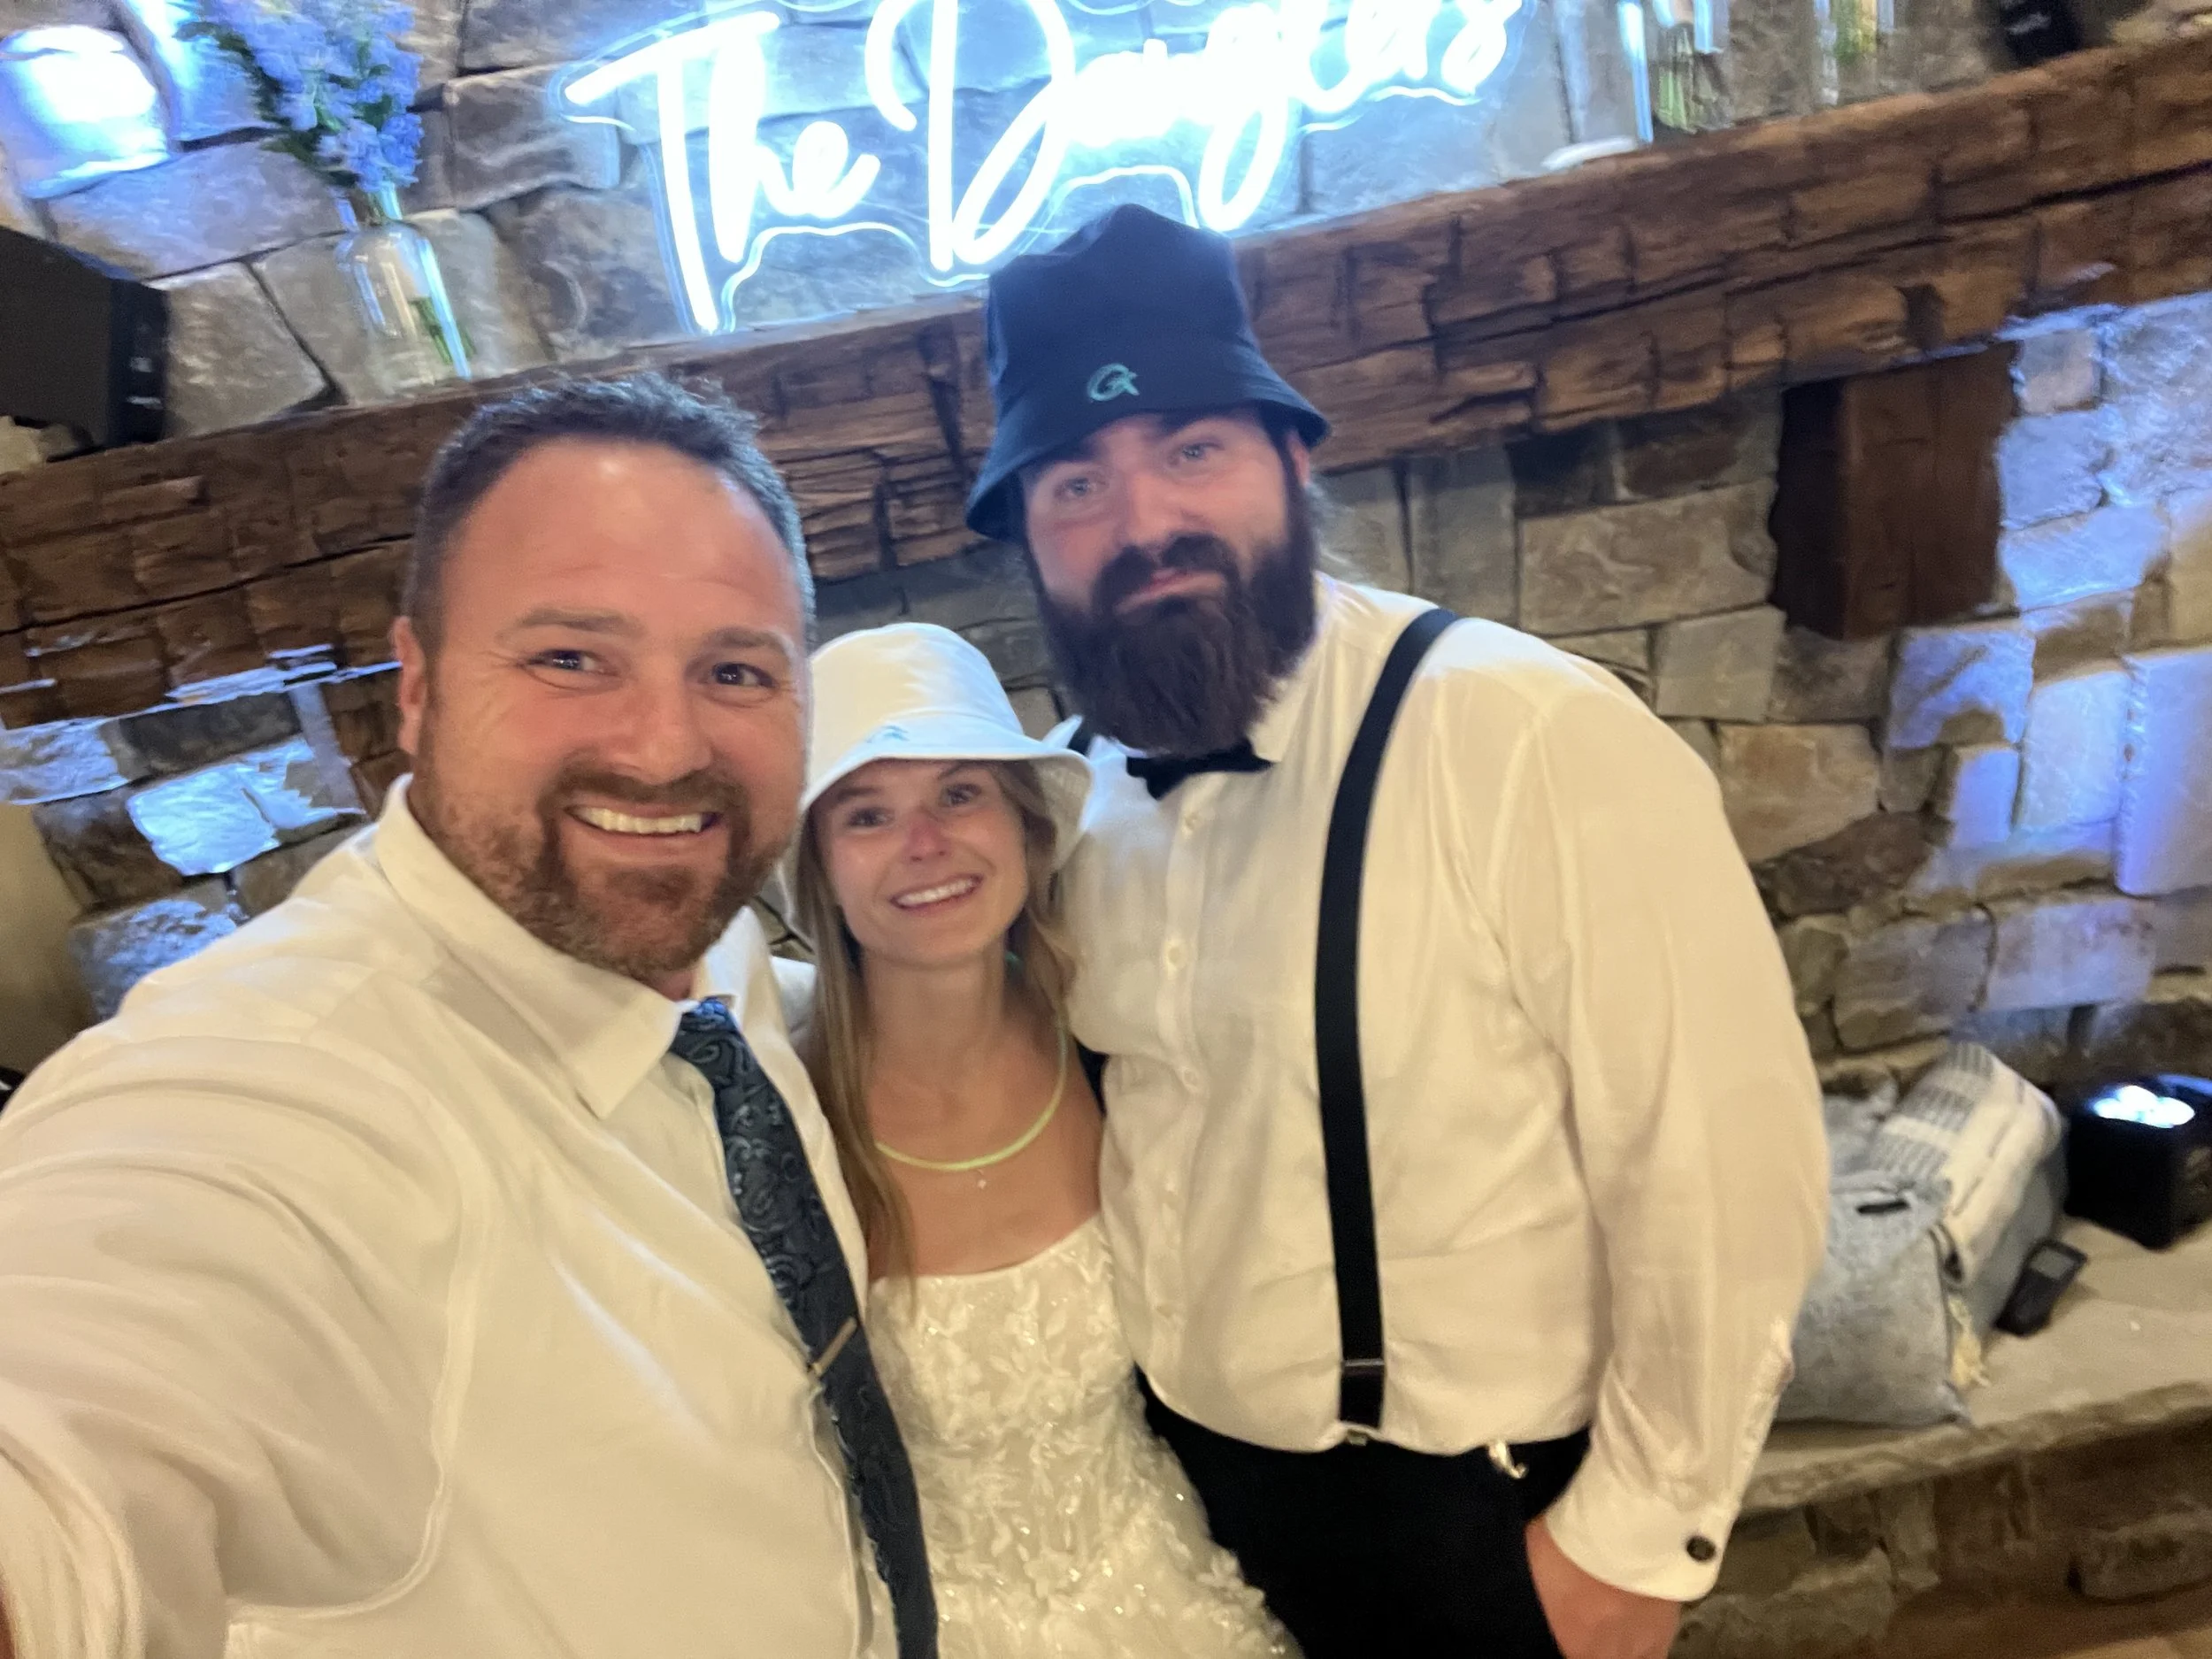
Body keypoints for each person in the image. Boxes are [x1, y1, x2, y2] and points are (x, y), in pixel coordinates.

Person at [958, 204, 1830, 1659]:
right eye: (1074, 485)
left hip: (1470, 1535)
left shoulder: (1528, 737)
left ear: (1293, 459)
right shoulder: (1069, 797)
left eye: (1191, 451)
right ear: (1029, 541)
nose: (1143, 525)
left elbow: (1724, 1167)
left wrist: (1637, 1541)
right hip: (1183, 1520)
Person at [0, 375, 937, 1659]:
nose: (666, 747)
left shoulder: (697, 936)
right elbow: (69, 1429)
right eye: (569, 656)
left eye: (734, 668)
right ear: (420, 684)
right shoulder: (280, 1091)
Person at [787, 620, 1292, 1658]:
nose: (925, 845)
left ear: (1025, 827)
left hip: (1166, 1583)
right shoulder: (785, 1124)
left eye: (959, 794)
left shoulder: (1116, 1042)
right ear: (821, 874)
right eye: (868, 814)